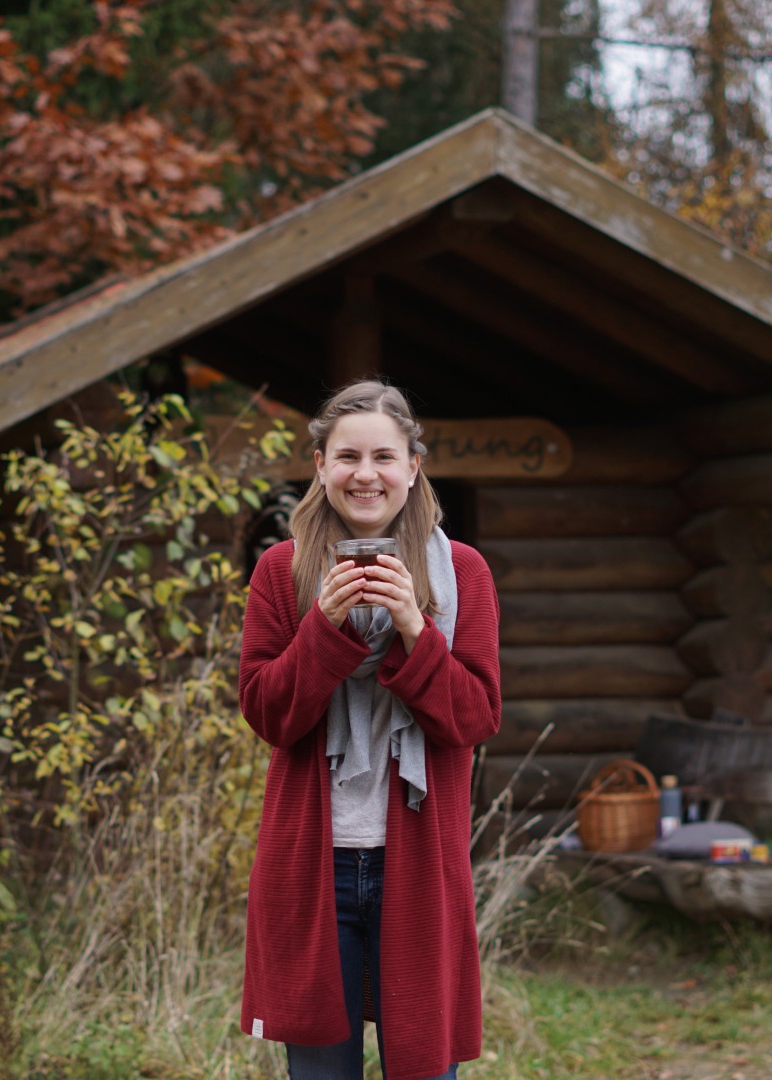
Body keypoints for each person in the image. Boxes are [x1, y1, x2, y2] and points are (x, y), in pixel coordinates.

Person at [237, 380, 502, 1080]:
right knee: (320, 1070)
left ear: (412, 467)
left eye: (383, 456)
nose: (365, 474)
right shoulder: (281, 571)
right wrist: (323, 628)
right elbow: (268, 715)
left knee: (423, 1066)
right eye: (347, 456)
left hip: (418, 864)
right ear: (320, 465)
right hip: (313, 868)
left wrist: (415, 628)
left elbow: (474, 719)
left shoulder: (462, 573)